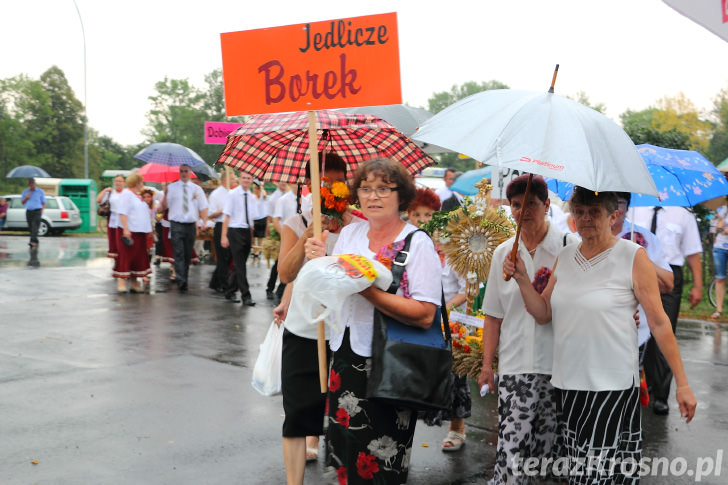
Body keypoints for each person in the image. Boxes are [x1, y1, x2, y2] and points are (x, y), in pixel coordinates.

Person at [504, 187, 697, 483]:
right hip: (568, 383)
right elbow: (543, 313)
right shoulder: (566, 256)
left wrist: (682, 385)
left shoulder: (632, 256)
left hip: (611, 385)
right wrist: (521, 278)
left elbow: (659, 323)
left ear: (613, 215)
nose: (585, 218)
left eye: (594, 212)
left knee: (592, 475)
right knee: (580, 470)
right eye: (579, 212)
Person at [306, 158, 442, 484]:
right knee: (345, 456)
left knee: (380, 464)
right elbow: (331, 296)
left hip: (391, 365)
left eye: (383, 188)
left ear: (401, 195)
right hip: (344, 358)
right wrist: (320, 264)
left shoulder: (417, 242)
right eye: (366, 188)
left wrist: (366, 289)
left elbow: (425, 314)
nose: (373, 196)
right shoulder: (350, 234)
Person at [477, 174, 575, 483]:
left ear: (546, 205)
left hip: (559, 367)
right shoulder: (502, 254)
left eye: (531, 204)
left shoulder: (568, 248)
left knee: (551, 456)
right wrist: (486, 366)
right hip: (515, 366)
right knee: (512, 450)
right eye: (517, 205)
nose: (524, 212)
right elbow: (493, 316)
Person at [274, 152, 349, 485]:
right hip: (302, 329)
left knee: (346, 415)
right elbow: (286, 273)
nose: (330, 189)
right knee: (297, 413)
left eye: (337, 183)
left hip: (343, 331)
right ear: (308, 186)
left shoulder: (356, 225)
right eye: (323, 182)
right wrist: (310, 232)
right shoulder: (296, 223)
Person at [406, 187, 469, 451]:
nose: (422, 219)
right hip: (417, 321)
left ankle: (457, 428)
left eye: (428, 214)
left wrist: (443, 311)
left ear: (438, 217)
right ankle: (405, 432)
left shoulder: (453, 250)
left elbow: (467, 291)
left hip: (449, 323)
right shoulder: (406, 246)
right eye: (417, 214)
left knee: (454, 377)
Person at [630, 204, 702, 415]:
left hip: (669, 276)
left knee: (664, 330)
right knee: (640, 330)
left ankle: (661, 395)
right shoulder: (636, 209)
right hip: (639, 272)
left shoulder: (683, 214)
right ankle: (644, 386)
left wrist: (697, 285)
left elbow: (693, 252)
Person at [612, 192, 674, 365]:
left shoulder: (644, 238)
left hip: (635, 330)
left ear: (628, 205)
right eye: (608, 203)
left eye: (620, 203)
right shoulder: (586, 237)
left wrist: (639, 257)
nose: (615, 209)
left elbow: (668, 284)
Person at [162, 164, 208, 292]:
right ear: (179, 172)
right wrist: (165, 195)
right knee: (178, 253)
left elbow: (203, 206)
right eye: (181, 171)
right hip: (176, 224)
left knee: (187, 254)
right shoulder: (171, 188)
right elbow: (164, 206)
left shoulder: (196, 189)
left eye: (186, 171)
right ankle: (181, 280)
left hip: (190, 225)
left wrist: (203, 221)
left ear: (190, 172)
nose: (183, 173)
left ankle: (184, 277)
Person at [221, 171, 260, 306]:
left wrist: (252, 237)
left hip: (246, 231)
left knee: (240, 264)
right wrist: (224, 236)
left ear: (251, 180)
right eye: (243, 177)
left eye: (248, 178)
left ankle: (230, 290)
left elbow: (253, 219)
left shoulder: (252, 197)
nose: (246, 180)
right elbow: (226, 216)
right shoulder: (232, 194)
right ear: (240, 179)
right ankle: (246, 295)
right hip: (234, 230)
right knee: (241, 264)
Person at [114, 174, 153, 293]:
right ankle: (121, 282)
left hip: (140, 231)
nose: (143, 184)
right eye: (141, 182)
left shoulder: (137, 196)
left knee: (137, 258)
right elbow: (122, 212)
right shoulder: (127, 194)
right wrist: (126, 229)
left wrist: (149, 229)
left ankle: (134, 282)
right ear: (136, 183)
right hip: (130, 231)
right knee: (126, 256)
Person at [207, 173, 235, 293]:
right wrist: (223, 210)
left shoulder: (233, 193)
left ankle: (215, 281)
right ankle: (224, 284)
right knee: (222, 256)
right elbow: (211, 214)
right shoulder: (216, 194)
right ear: (225, 180)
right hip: (220, 225)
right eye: (232, 178)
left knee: (230, 256)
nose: (234, 180)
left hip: (232, 226)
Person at [265, 182, 293, 300]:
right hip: (284, 236)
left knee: (291, 264)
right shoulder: (280, 199)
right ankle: (270, 288)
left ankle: (281, 290)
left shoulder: (302, 199)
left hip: (296, 237)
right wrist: (283, 235)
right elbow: (272, 219)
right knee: (279, 263)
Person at [709, 202, 728, 319]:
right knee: (720, 278)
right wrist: (717, 225)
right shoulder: (720, 209)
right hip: (720, 248)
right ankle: (719, 310)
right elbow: (711, 228)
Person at [21, 177, 46, 248]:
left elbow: (43, 202)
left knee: (35, 226)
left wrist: (42, 210)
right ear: (28, 184)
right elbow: (22, 202)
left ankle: (32, 241)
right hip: (29, 211)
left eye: (32, 183)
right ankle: (36, 240)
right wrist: (26, 197)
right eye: (30, 183)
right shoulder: (25, 192)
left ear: (35, 184)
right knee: (31, 227)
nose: (31, 185)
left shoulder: (40, 191)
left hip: (37, 211)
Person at [251, 181, 268, 261]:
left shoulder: (262, 195)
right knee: (253, 237)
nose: (255, 190)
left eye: (256, 188)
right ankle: (255, 251)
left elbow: (264, 195)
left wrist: (261, 186)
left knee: (260, 237)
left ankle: (258, 252)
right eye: (254, 188)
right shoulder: (252, 197)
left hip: (262, 218)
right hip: (254, 219)